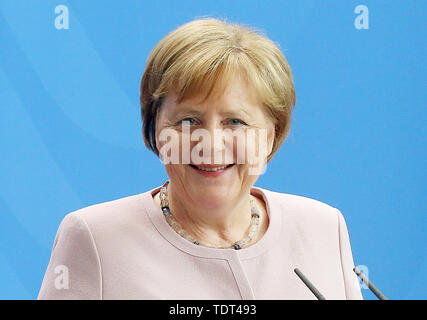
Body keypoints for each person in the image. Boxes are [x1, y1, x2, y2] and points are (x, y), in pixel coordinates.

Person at [38, 18, 363, 300]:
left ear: (270, 135)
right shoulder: (96, 238)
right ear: (154, 129)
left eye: (235, 122)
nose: (210, 144)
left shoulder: (323, 227)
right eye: (187, 121)